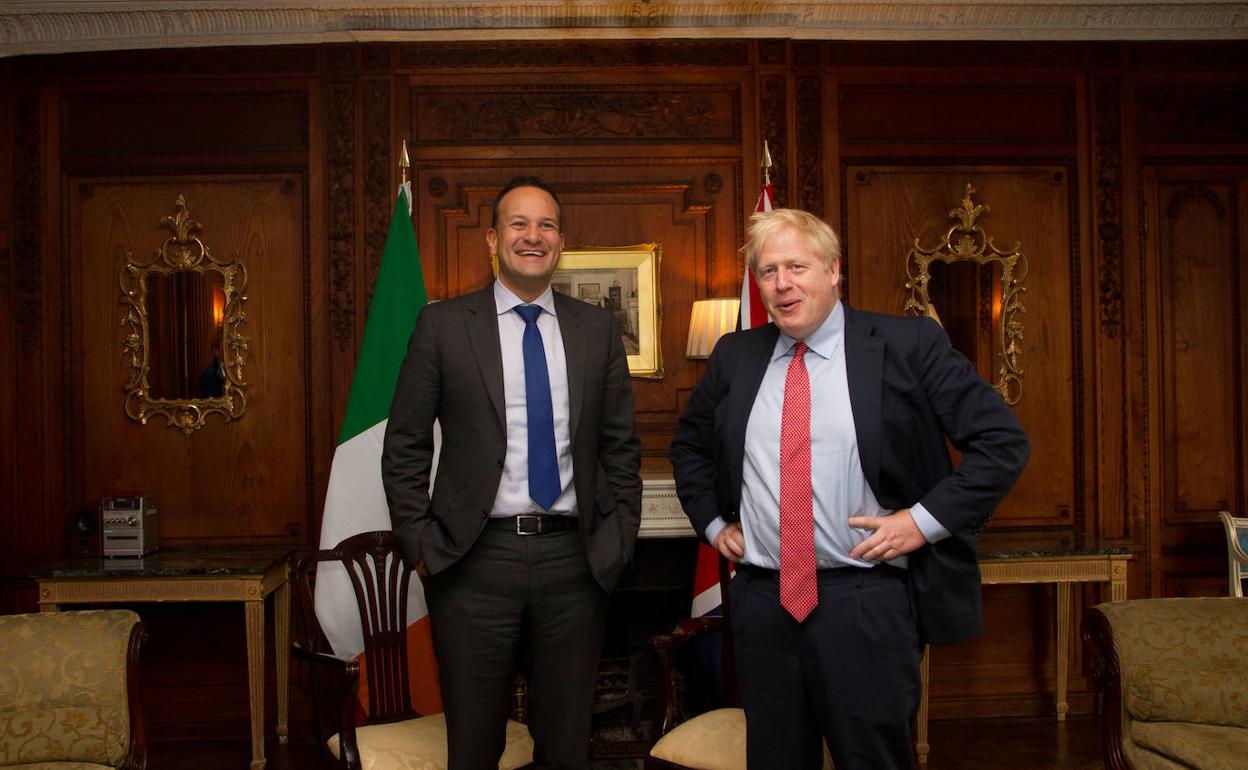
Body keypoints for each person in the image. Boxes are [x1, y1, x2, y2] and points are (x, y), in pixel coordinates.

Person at [669, 208, 1030, 770]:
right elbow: (690, 447)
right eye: (768, 272)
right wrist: (714, 523)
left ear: (834, 270)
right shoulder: (735, 356)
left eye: (797, 266)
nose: (782, 284)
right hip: (764, 603)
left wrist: (920, 522)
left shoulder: (909, 344)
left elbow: (1003, 443)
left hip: (865, 602)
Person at [383, 176, 643, 770]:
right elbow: (404, 447)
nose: (533, 236)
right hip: (474, 560)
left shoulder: (596, 330)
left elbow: (620, 445)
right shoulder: (442, 326)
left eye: (546, 225)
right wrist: (423, 546)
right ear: (492, 240)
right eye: (519, 225)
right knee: (474, 745)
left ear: (561, 241)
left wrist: (619, 537)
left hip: (573, 561)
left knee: (567, 743)